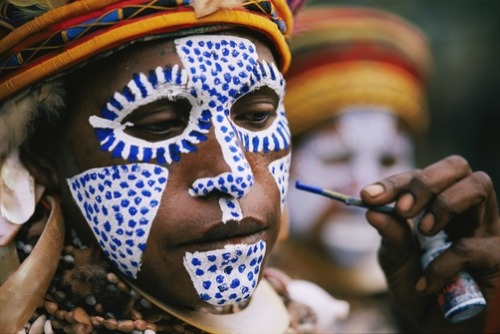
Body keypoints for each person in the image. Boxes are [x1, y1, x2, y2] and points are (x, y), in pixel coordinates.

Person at [0, 2, 498, 334]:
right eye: (158, 124)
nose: (234, 173)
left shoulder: (311, 318)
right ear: (42, 155)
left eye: (256, 117)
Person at [269, 6, 432, 332]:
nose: (367, 189)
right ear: (278, 168)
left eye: (388, 159)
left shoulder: (436, 298)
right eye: (336, 158)